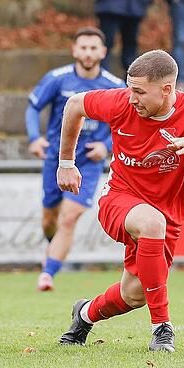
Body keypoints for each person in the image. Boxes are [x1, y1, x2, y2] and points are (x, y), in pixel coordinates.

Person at [57, 49, 184, 353]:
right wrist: (66, 162)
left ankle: (84, 314)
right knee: (151, 222)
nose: (131, 98)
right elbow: (74, 104)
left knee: (134, 294)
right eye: (129, 88)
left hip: (168, 212)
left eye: (138, 91)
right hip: (119, 198)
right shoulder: (120, 102)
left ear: (166, 90)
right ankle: (162, 328)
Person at [26, 27, 124, 292]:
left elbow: (128, 125)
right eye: (83, 47)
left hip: (90, 163)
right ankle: (52, 249)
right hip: (56, 160)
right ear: (74, 50)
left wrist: (107, 146)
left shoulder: (115, 87)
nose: (88, 53)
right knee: (50, 219)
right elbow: (33, 107)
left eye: (94, 48)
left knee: (69, 218)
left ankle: (47, 274)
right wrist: (35, 137)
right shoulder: (57, 79)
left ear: (103, 52)